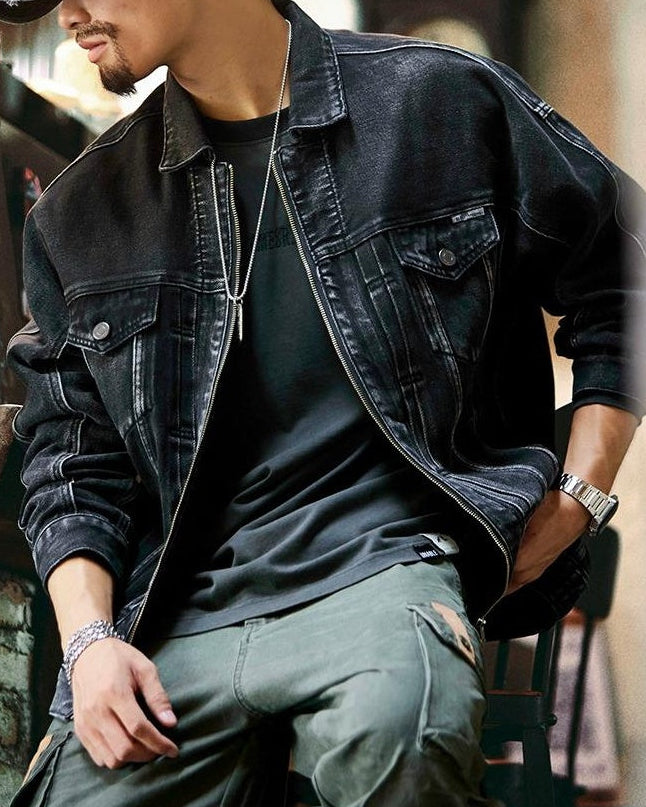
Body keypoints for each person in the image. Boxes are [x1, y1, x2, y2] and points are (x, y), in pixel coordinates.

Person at [2, 0, 644, 804]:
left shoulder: (438, 104)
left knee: (402, 733)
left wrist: (579, 498)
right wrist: (89, 643)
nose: (68, 13)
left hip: (384, 570)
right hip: (177, 615)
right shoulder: (80, 212)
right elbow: (70, 464)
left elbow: (624, 277)